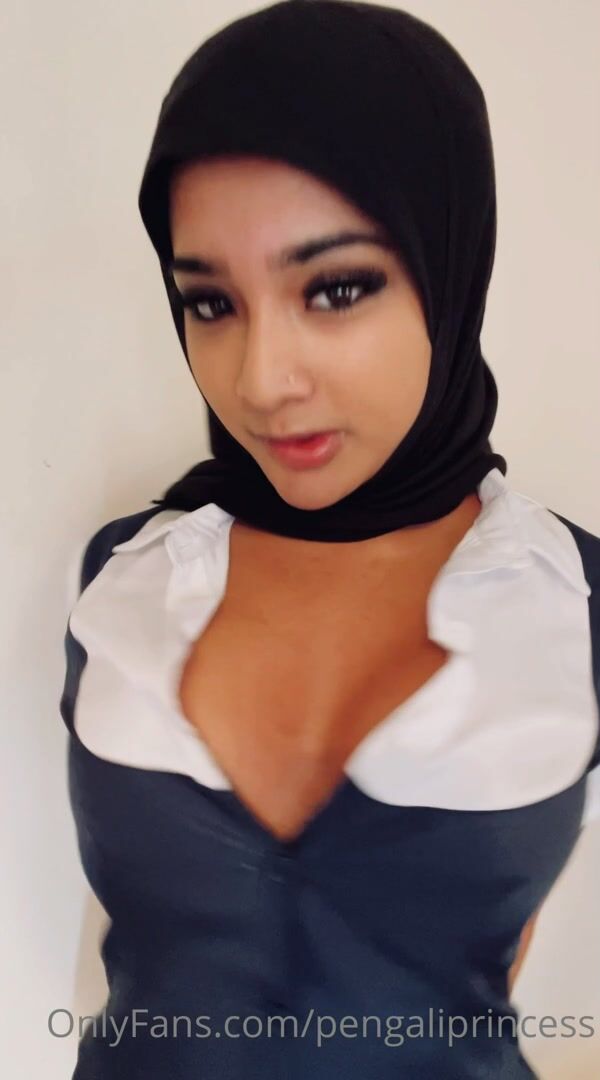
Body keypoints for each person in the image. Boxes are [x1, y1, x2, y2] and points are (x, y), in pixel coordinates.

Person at [59, 1, 600, 1076]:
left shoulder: (574, 601)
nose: (261, 381)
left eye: (336, 288)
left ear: (449, 267)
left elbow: (492, 965)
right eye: (210, 304)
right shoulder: (122, 573)